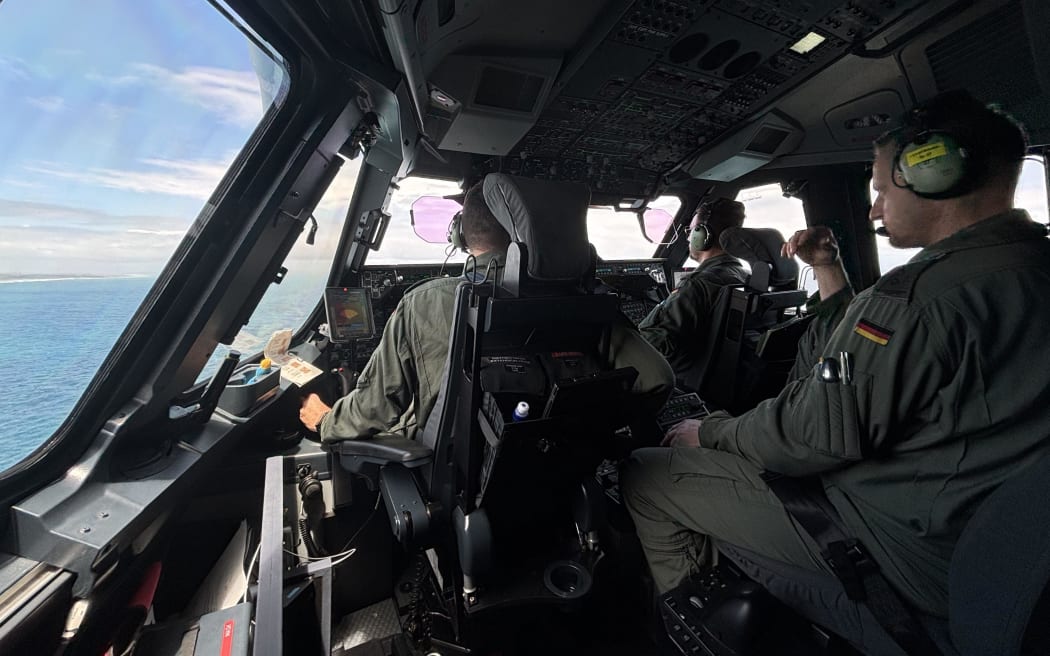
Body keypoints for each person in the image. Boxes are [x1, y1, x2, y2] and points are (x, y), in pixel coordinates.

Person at [621, 89, 1050, 653]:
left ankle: (693, 633)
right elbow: (871, 370)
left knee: (646, 475)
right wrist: (829, 271)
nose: (873, 209)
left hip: (897, 546)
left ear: (934, 172)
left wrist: (710, 431)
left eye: (878, 189)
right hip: (991, 540)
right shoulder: (1026, 268)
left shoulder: (917, 298)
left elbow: (809, 438)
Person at [301, 179, 674, 442]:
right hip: (564, 472)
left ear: (461, 234)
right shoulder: (589, 304)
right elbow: (657, 378)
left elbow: (375, 409)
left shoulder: (425, 302)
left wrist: (326, 420)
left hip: (459, 483)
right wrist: (589, 436)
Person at [637, 198, 747, 376]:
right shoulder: (745, 276)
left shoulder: (697, 284)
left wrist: (626, 331)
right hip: (727, 376)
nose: (688, 237)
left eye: (691, 231)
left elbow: (658, 345)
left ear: (702, 234)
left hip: (686, 380)